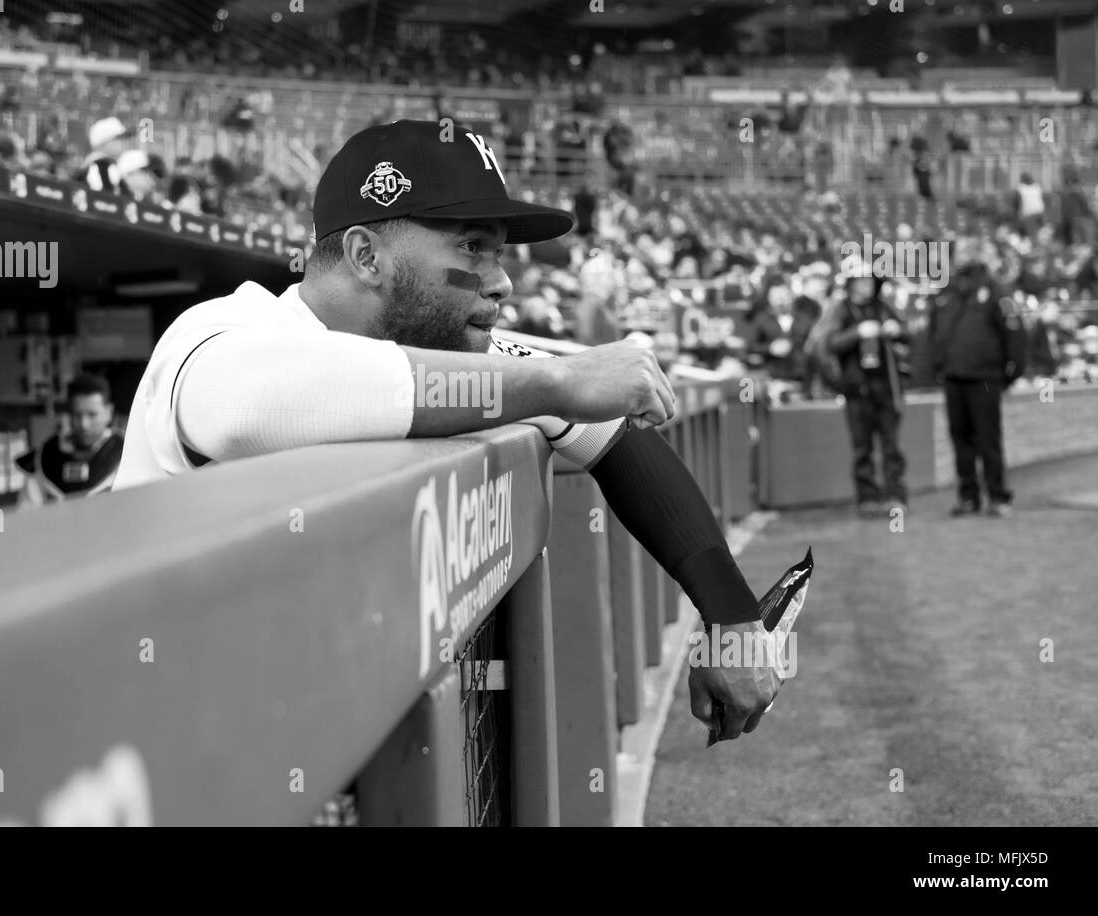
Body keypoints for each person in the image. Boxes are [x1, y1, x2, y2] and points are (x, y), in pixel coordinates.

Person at [115, 119, 782, 742]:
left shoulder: (465, 359)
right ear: (366, 256)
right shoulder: (223, 332)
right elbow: (251, 409)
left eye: (499, 252)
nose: (502, 282)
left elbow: (622, 441)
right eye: (472, 247)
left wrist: (732, 619)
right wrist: (552, 383)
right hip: (150, 751)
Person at [929, 262, 1027, 517]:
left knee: (987, 439)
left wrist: (1011, 372)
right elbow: (934, 333)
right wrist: (938, 366)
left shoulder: (996, 291)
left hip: (985, 377)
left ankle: (997, 496)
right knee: (960, 439)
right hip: (953, 377)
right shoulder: (946, 292)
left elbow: (1015, 333)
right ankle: (968, 496)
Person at [823, 272, 910, 516]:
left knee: (891, 446)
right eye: (861, 281)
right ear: (850, 285)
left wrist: (897, 329)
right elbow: (830, 343)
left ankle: (895, 495)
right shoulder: (841, 310)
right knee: (862, 449)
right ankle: (868, 498)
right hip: (857, 391)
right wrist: (858, 332)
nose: (866, 285)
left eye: (869, 281)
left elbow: (907, 331)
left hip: (886, 388)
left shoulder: (883, 308)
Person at [16, 374, 124, 508]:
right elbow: (26, 514)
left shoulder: (127, 455)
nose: (84, 424)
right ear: (69, 413)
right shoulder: (44, 458)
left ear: (109, 412)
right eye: (77, 415)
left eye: (92, 415)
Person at [75, 116, 130, 193]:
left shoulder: (106, 165)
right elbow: (105, 201)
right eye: (118, 139)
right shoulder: (101, 167)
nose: (123, 143)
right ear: (104, 143)